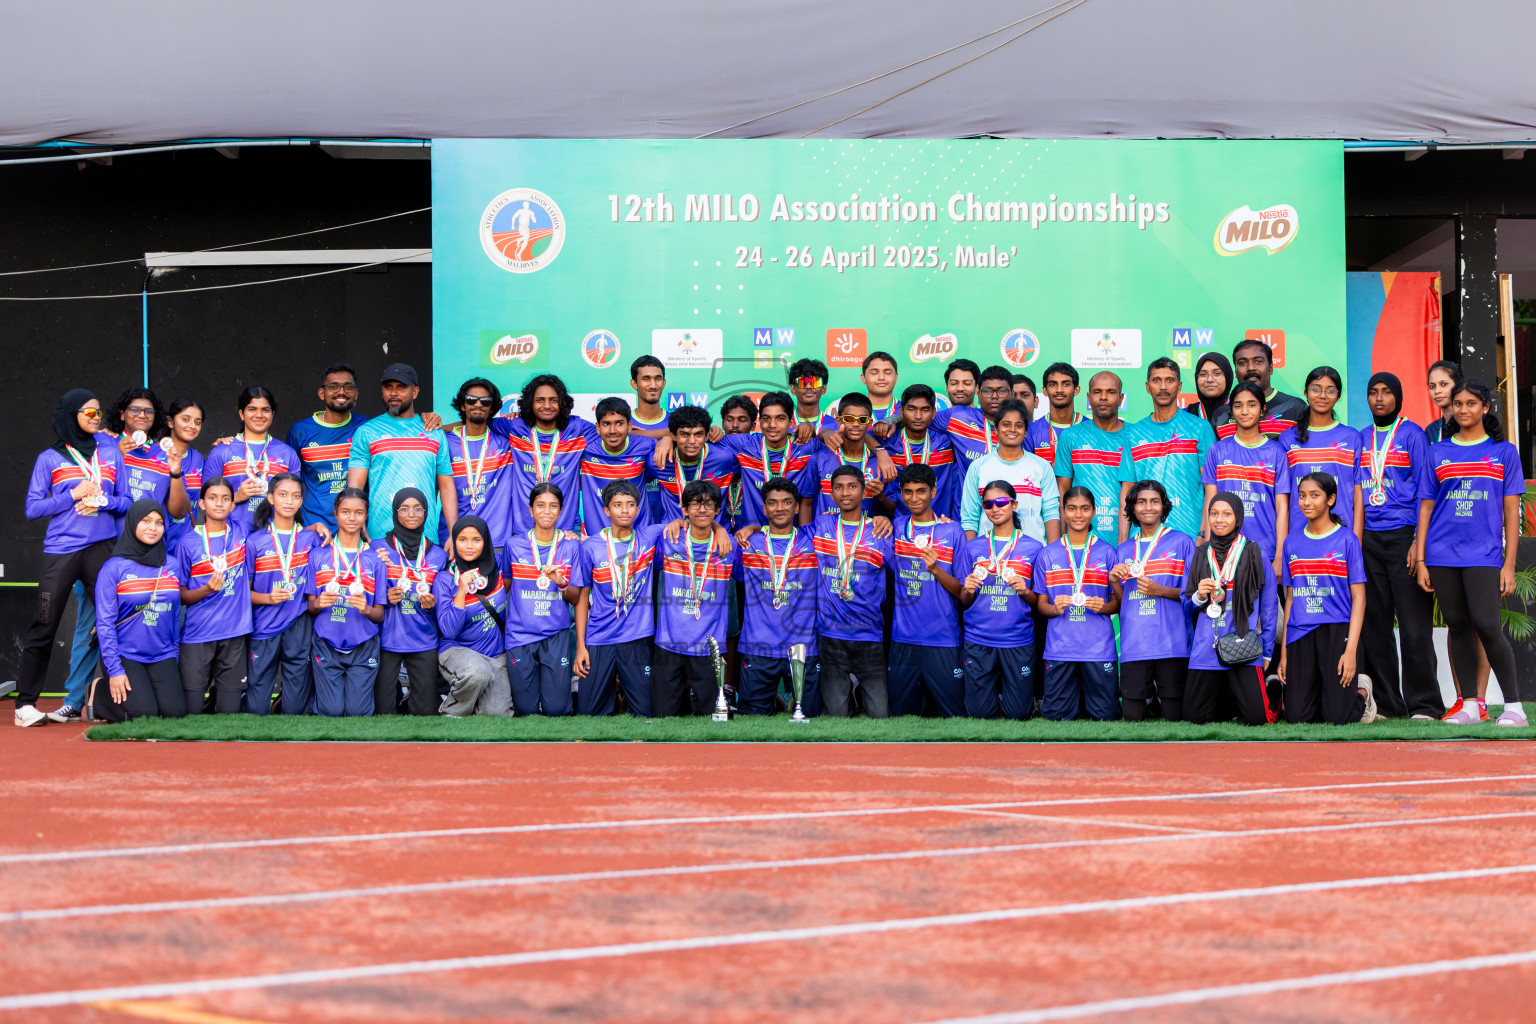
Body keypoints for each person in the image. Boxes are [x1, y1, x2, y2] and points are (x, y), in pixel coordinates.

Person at [1416, 378, 1527, 726]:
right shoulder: (1438, 452)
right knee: (1459, 626)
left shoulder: (1504, 452)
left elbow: (1512, 512)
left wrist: (1509, 564)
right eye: (1459, 404)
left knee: (1487, 625)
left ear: (1485, 408)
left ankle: (1514, 707)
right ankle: (1470, 705)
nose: (1464, 410)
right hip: (1441, 553)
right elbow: (1426, 509)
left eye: (1471, 404)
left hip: (1484, 554)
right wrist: (1421, 558)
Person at [1358, 372, 1443, 720]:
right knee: (1375, 626)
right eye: (1373, 393)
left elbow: (1427, 490)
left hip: (1404, 536)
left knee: (1413, 626)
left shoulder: (1412, 435)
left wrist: (1417, 543)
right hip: (1368, 540)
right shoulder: (1361, 438)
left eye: (1386, 393)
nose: (1379, 399)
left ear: (1398, 397)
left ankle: (1425, 705)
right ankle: (1390, 706)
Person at [1278, 472, 1374, 725]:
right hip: (1300, 631)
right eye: (1302, 496)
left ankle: (1363, 692)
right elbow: (1290, 599)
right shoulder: (1292, 542)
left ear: (1331, 499)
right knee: (1297, 718)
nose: (1306, 502)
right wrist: (1285, 655)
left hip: (1336, 631)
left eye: (1314, 496)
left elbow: (1359, 599)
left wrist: (1351, 650)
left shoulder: (1347, 539)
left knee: (1338, 718)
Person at [1184, 491, 1281, 725]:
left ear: (1237, 518)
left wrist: (1267, 650)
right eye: (1214, 514)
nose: (1219, 519)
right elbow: (1186, 605)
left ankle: (1275, 691)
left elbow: (1269, 608)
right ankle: (1230, 704)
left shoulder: (1255, 553)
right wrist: (1199, 595)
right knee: (1193, 719)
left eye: (1226, 514)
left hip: (1242, 646)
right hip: (1206, 646)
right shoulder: (1199, 555)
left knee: (1258, 719)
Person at [811, 465, 894, 718]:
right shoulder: (822, 524)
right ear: (831, 492)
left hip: (868, 633)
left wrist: (887, 518)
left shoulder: (880, 531)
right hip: (830, 634)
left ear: (863, 490)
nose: (845, 493)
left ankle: (858, 694)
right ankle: (849, 697)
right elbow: (784, 532)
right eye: (838, 487)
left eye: (852, 486)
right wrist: (753, 529)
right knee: (836, 716)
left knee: (880, 716)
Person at [90, 499, 184, 722]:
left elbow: (174, 616)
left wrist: (174, 655)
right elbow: (105, 623)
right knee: (144, 714)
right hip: (125, 654)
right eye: (146, 521)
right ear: (132, 524)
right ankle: (100, 691)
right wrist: (114, 671)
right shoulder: (113, 568)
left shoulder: (172, 565)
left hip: (162, 653)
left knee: (175, 713)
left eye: (159, 522)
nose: (153, 527)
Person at [571, 481, 660, 716]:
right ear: (606, 511)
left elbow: (687, 523)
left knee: (646, 712)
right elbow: (581, 597)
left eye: (630, 505)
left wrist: (722, 529)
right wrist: (581, 645)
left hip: (637, 636)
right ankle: (615, 694)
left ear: (638, 509)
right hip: (600, 636)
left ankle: (622, 694)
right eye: (618, 505)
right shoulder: (591, 546)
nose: (624, 510)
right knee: (589, 712)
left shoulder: (649, 537)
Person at [734, 477, 821, 715]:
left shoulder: (814, 539)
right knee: (751, 721)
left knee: (811, 717)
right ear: (764, 508)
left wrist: (881, 517)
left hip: (803, 648)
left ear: (796, 507)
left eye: (786, 502)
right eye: (772, 503)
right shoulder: (747, 543)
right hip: (758, 646)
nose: (779, 508)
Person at [1111, 480, 1197, 722]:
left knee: (1174, 715)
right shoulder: (1124, 549)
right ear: (1132, 508)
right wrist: (1115, 581)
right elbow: (1122, 603)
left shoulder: (1182, 542)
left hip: (1172, 643)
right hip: (1136, 643)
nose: (1148, 507)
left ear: (1164, 507)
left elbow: (1193, 596)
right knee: (1133, 717)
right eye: (1141, 502)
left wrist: (1160, 590)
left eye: (1155, 502)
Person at [1033, 487, 1121, 721]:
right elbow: (1041, 605)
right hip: (1060, 648)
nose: (1078, 514)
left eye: (1084, 508)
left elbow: (1117, 604)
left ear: (1093, 511)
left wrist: (1103, 606)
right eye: (1071, 508)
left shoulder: (1107, 552)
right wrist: (1055, 608)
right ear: (1063, 512)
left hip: (1098, 649)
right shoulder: (1047, 555)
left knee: (1106, 718)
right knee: (1056, 717)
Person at [652, 480, 739, 716]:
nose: (702, 510)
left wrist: (723, 530)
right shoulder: (667, 538)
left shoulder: (729, 545)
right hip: (670, 644)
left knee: (710, 720)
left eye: (709, 504)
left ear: (718, 510)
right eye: (695, 504)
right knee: (664, 718)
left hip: (709, 647)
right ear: (684, 510)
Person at [887, 464, 967, 717]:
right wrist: (879, 518)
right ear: (900, 493)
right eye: (907, 492)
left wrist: (936, 570)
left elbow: (964, 593)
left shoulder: (952, 531)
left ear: (934, 491)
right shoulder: (895, 528)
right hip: (903, 638)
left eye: (921, 491)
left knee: (952, 716)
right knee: (902, 717)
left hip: (943, 638)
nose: (914, 498)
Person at [959, 481, 1044, 719]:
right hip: (979, 637)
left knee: (1018, 715)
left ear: (1014, 504)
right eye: (988, 504)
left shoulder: (1035, 548)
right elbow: (965, 600)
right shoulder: (973, 547)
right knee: (979, 715)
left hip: (1017, 638)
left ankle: (1027, 699)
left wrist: (1025, 591)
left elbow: (1039, 601)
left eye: (1002, 502)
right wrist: (967, 589)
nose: (995, 508)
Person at [305, 488, 388, 716]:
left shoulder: (375, 559)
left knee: (357, 713)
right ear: (336, 513)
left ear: (366, 516)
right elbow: (310, 607)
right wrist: (319, 603)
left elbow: (379, 615)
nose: (352, 518)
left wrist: (366, 608)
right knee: (331, 711)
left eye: (358, 513)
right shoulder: (318, 555)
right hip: (326, 643)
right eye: (346, 512)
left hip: (363, 645)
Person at [347, 363, 452, 542]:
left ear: (415, 391)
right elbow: (355, 487)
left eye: (401, 387)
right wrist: (358, 527)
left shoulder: (433, 431)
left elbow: (446, 487)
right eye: (388, 387)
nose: (393, 393)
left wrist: (452, 532)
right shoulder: (367, 432)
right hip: (380, 537)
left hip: (425, 537)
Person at [500, 482, 580, 715]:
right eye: (540, 505)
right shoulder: (513, 545)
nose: (547, 511)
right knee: (525, 710)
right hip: (520, 635)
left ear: (561, 510)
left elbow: (575, 597)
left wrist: (561, 581)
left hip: (555, 635)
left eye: (553, 506)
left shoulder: (571, 546)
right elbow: (505, 587)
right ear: (530, 510)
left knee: (556, 710)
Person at [245, 474, 322, 715]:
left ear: (301, 501)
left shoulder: (312, 540)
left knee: (295, 709)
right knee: (256, 708)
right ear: (270, 498)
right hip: (264, 626)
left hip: (298, 623)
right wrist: (269, 598)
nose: (289, 501)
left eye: (296, 496)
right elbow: (243, 595)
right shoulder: (254, 542)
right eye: (283, 494)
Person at [174, 477, 252, 715]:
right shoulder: (187, 543)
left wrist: (313, 527)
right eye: (212, 498)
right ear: (201, 504)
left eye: (225, 499)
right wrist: (206, 590)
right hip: (198, 634)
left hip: (235, 632)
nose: (219, 504)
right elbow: (180, 596)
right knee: (191, 711)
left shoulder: (242, 531)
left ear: (232, 505)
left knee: (230, 713)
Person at [488, 374, 597, 537]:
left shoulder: (578, 429)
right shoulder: (515, 426)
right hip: (522, 530)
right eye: (540, 400)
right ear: (530, 403)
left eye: (553, 400)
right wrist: (438, 426)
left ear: (562, 403)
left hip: (566, 530)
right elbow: (475, 423)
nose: (547, 405)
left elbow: (616, 433)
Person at [1119, 358, 1214, 541]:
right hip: (1143, 539)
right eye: (1157, 380)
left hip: (1190, 535)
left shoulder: (1199, 428)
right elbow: (1126, 491)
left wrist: (1204, 532)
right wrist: (1123, 543)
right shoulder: (1133, 433)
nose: (1163, 387)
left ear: (1179, 387)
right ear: (1148, 387)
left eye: (1169, 380)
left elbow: (1210, 487)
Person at [1201, 381, 1291, 575]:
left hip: (1264, 552)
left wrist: (1279, 557)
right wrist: (1209, 550)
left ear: (1262, 410)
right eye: (1238, 405)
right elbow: (1210, 501)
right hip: (1222, 552)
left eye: (1252, 404)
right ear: (1231, 411)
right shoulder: (1217, 450)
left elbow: (1282, 507)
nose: (1244, 411)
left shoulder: (1277, 453)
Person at [372, 488, 448, 715]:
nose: (412, 514)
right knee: (383, 711)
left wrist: (432, 604)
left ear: (426, 512)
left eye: (418, 508)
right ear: (395, 512)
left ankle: (410, 701)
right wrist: (383, 598)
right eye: (404, 508)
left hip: (422, 637)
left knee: (426, 712)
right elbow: (364, 589)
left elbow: (443, 598)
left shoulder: (437, 554)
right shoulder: (377, 548)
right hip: (387, 637)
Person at [436, 515, 513, 717]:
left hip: (496, 655)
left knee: (497, 714)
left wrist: (569, 536)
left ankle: (475, 698)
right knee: (476, 672)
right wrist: (461, 591)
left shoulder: (498, 565)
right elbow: (449, 630)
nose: (469, 546)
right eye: (462, 540)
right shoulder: (445, 578)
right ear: (455, 541)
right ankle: (452, 712)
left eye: (476, 540)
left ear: (486, 541)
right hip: (458, 651)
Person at [1278, 366, 1364, 539]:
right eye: (1316, 389)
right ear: (1305, 392)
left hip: (1342, 534)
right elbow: (1283, 498)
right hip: (1299, 534)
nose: (1322, 396)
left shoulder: (1352, 437)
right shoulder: (1287, 438)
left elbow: (1358, 497)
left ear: (1338, 396)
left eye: (1330, 391)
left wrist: (1356, 541)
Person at [958, 399, 1060, 543]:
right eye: (1006, 424)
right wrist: (970, 553)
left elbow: (1051, 513)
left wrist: (1051, 553)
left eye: (1019, 425)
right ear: (996, 428)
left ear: (1025, 432)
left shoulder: (1041, 466)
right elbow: (970, 518)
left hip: (1033, 555)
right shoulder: (978, 467)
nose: (1012, 429)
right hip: (988, 556)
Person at [285, 363, 370, 533]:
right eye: (333, 386)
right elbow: (289, 482)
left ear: (356, 393)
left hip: (357, 530)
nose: (341, 392)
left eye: (348, 387)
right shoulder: (300, 432)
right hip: (315, 529)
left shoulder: (368, 428)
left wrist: (432, 421)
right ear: (321, 393)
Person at [203, 386, 300, 534]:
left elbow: (295, 499)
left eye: (265, 410)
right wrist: (235, 497)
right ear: (241, 414)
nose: (259, 415)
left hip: (273, 539)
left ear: (272, 414)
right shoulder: (222, 451)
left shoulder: (287, 454)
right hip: (231, 538)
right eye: (252, 409)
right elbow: (204, 500)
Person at [714, 390, 816, 527]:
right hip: (752, 538)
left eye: (780, 418)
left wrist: (820, 432)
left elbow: (837, 443)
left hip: (791, 539)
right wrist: (712, 430)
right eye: (767, 418)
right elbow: (698, 440)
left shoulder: (806, 447)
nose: (772, 425)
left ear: (791, 422)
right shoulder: (745, 445)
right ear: (760, 422)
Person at [1054, 371, 1129, 546]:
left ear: (1121, 398)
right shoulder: (1071, 436)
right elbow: (1062, 491)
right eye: (1097, 392)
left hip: (1127, 537)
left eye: (1111, 392)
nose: (1103, 397)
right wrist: (1062, 540)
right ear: (1088, 397)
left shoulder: (1134, 436)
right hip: (1082, 540)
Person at [439, 378, 513, 551]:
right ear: (463, 405)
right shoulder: (444, 443)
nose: (478, 405)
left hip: (496, 541)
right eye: (471, 400)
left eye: (485, 401)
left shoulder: (507, 443)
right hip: (455, 539)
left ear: (492, 408)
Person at [578, 397, 657, 536]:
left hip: (640, 537)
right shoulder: (585, 449)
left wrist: (667, 440)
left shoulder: (644, 445)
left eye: (619, 423)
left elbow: (676, 439)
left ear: (629, 425)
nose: (613, 430)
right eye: (606, 424)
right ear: (597, 427)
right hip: (600, 540)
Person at [881, 384, 959, 519]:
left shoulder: (947, 441)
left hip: (940, 526)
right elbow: (860, 435)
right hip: (900, 527)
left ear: (934, 413)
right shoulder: (887, 441)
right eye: (911, 409)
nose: (918, 416)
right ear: (901, 411)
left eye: (925, 410)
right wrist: (879, 450)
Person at [651, 404, 739, 523]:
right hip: (675, 535)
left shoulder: (725, 458)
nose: (691, 441)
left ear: (707, 435)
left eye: (698, 434)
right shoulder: (658, 460)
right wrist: (664, 439)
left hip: (715, 535)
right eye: (684, 434)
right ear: (673, 436)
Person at [1213, 339, 1307, 440]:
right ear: (1235, 371)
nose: (1250, 368)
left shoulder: (1295, 408)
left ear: (1270, 368)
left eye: (1258, 362)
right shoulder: (1220, 415)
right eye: (1242, 363)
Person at [810, 394, 886, 517]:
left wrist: (880, 497)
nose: (856, 424)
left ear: (869, 423)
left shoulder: (880, 462)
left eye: (862, 420)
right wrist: (808, 533)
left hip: (865, 534)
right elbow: (806, 502)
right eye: (849, 419)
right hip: (827, 534)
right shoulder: (820, 458)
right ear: (839, 421)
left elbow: (890, 509)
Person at [936, 365, 1014, 469]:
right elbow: (916, 419)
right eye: (987, 391)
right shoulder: (957, 416)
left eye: (1002, 391)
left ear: (1012, 394)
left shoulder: (1020, 427)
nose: (994, 396)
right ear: (978, 391)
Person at [160, 397, 208, 553]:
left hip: (186, 543)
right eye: (185, 419)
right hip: (156, 540)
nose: (192, 426)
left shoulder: (198, 459)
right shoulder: (153, 454)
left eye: (197, 422)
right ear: (170, 422)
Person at [1026, 362, 1082, 466]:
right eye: (1053, 384)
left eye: (1066, 384)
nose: (1059, 390)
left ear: (1076, 390)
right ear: (1045, 390)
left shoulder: (1090, 428)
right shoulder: (1032, 430)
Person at [788, 357, 836, 440]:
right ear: (793, 389)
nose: (809, 387)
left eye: (815, 382)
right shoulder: (782, 424)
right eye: (802, 382)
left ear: (823, 389)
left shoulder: (835, 425)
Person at [1186, 352, 1234, 429]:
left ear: (1228, 377)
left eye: (1217, 373)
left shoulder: (1240, 411)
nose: (1210, 380)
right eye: (1203, 374)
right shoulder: (1187, 414)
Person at [628, 355, 672, 437]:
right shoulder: (623, 424)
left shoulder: (676, 422)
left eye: (658, 378)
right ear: (634, 384)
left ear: (664, 383)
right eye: (646, 379)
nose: (653, 385)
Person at [860, 351, 902, 434]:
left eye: (887, 373)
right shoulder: (851, 414)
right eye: (874, 373)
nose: (881, 377)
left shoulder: (908, 411)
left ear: (896, 377)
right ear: (863, 378)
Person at [1424, 359, 1463, 444]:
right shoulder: (1431, 431)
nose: (1437, 391)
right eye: (1432, 386)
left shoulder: (1473, 425)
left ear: (1458, 385)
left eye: (1444, 384)